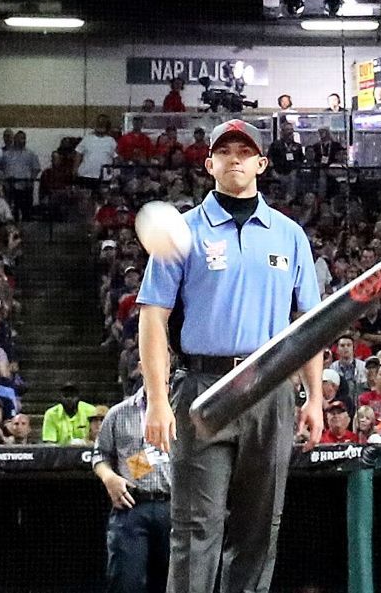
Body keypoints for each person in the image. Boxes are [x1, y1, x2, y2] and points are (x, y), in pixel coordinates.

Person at [137, 119, 324, 593]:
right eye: (225, 151)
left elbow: (309, 324)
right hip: (203, 387)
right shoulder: (181, 232)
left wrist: (315, 397)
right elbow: (152, 319)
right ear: (209, 164)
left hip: (271, 386)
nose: (235, 158)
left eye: (245, 151)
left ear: (262, 163)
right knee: (195, 529)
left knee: (260, 529)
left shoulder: (289, 234)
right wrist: (158, 401)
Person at [92, 384, 172, 593]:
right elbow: (100, 454)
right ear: (141, 366)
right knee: (126, 583)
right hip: (131, 506)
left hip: (174, 508)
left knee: (171, 584)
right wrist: (109, 477)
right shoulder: (118, 412)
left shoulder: (184, 408)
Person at [75, 114, 117, 192]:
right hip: (85, 176)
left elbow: (116, 159)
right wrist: (75, 169)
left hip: (104, 178)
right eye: (99, 123)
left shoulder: (111, 141)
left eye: (103, 123)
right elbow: (78, 153)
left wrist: (114, 175)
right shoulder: (87, 138)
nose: (101, 124)